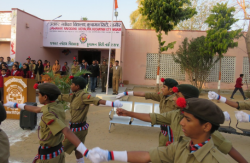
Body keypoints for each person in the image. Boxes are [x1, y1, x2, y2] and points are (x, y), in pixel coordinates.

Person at [114, 84, 247, 163]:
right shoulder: (176, 115)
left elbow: (228, 149)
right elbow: (154, 117)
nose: (173, 98)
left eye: (177, 96)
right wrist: (129, 113)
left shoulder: (206, 131)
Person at [87, 98, 232, 163]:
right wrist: (107, 155)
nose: (181, 123)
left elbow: (229, 149)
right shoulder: (181, 146)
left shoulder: (215, 160)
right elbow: (146, 156)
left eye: (187, 120)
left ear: (206, 126)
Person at [4, 83, 93, 163]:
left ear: (45, 97)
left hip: (49, 157)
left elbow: (66, 131)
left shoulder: (48, 114)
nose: (38, 97)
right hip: (58, 153)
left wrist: (86, 152)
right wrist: (15, 105)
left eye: (39, 95)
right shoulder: (57, 105)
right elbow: (37, 109)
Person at [58, 76, 123, 163]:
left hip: (78, 130)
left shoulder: (83, 96)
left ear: (77, 86)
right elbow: (62, 97)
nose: (71, 86)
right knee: (78, 150)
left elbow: (97, 100)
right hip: (77, 128)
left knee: (59, 150)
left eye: (72, 84)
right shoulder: (73, 96)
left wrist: (113, 103)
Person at [117, 78, 178, 146]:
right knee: (162, 149)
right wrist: (127, 93)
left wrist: (128, 113)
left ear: (171, 89)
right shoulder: (162, 96)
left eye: (164, 87)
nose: (161, 89)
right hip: (164, 130)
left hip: (173, 131)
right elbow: (146, 94)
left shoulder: (176, 101)